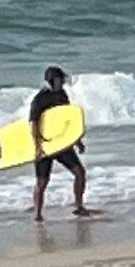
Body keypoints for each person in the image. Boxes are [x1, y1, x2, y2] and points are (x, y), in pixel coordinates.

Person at [25, 66, 91, 221]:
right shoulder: (39, 99)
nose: (62, 82)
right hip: (45, 146)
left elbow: (66, 121)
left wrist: (77, 141)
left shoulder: (62, 95)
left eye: (62, 79)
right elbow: (33, 123)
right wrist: (37, 148)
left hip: (61, 144)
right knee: (42, 182)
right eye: (59, 80)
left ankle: (78, 206)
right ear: (51, 81)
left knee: (80, 173)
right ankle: (37, 214)